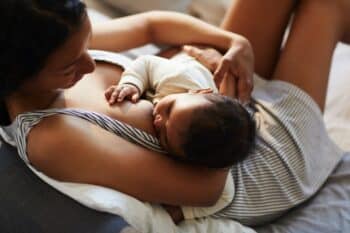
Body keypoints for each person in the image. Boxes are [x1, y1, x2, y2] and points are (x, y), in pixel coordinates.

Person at [0, 0, 348, 227]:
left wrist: (232, 44)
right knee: (326, 6)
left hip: (214, 100)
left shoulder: (59, 38)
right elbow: (205, 189)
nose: (90, 63)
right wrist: (222, 101)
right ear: (17, 76)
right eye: (71, 66)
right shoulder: (52, 137)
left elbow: (151, 27)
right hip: (250, 166)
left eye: (88, 42)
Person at [105, 54, 256, 169]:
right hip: (186, 58)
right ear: (200, 92)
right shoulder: (179, 78)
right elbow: (146, 63)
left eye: (164, 137)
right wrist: (133, 83)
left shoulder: (189, 116)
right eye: (170, 109)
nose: (158, 120)